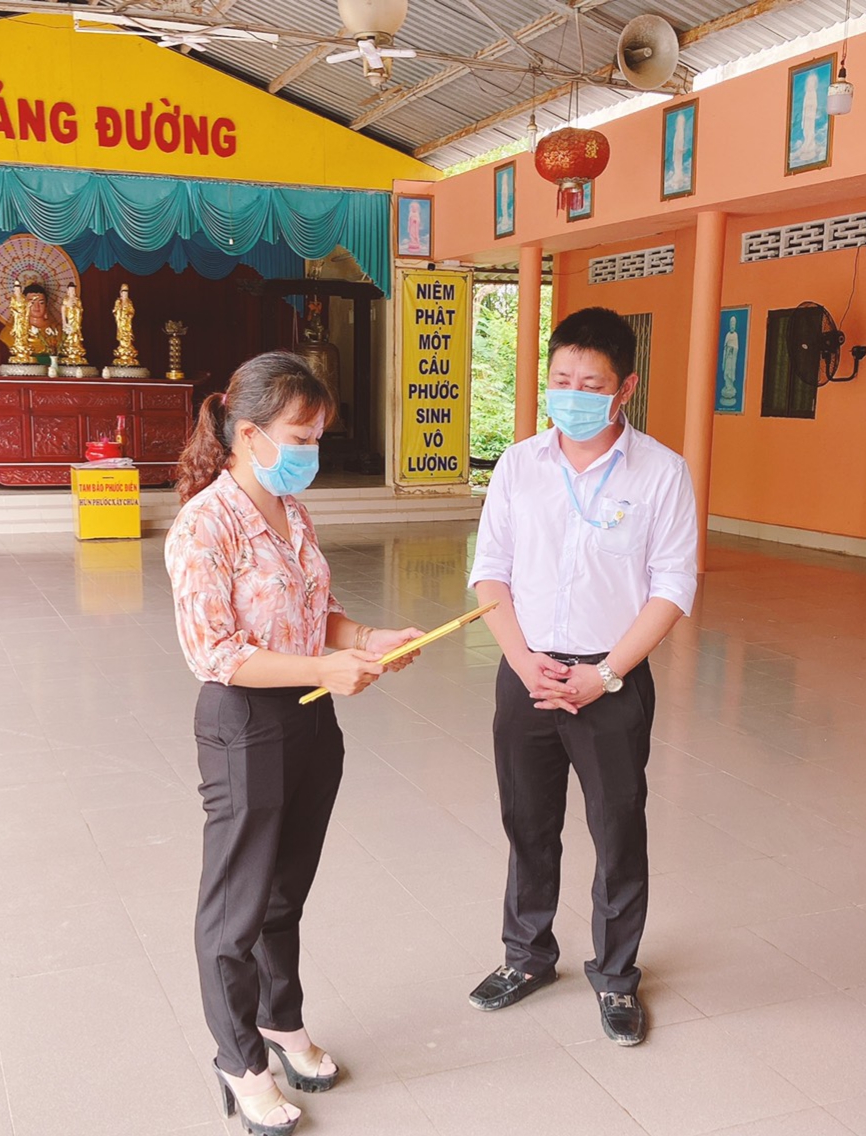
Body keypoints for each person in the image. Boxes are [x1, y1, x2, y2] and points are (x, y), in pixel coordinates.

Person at [165, 352, 422, 1135]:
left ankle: (280, 1021)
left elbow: (318, 613)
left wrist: (369, 639)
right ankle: (237, 1060)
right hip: (244, 725)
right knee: (234, 909)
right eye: (300, 436)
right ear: (248, 434)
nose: (311, 451)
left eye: (317, 436)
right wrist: (322, 669)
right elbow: (214, 652)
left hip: (310, 722)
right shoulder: (206, 524)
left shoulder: (290, 511)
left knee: (284, 894)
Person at [467, 307, 697, 1047]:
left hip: (612, 682)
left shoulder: (661, 472)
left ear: (625, 386)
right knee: (527, 823)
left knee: (617, 829)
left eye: (590, 383)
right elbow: (490, 572)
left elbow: (672, 588)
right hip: (526, 672)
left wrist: (605, 673)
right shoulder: (518, 465)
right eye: (560, 378)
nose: (571, 394)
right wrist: (520, 660)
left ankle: (617, 975)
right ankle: (527, 956)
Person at [0, 282, 59, 363]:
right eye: (32, 302)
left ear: (46, 305)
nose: (36, 307)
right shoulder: (11, 330)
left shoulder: (57, 330)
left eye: (41, 303)